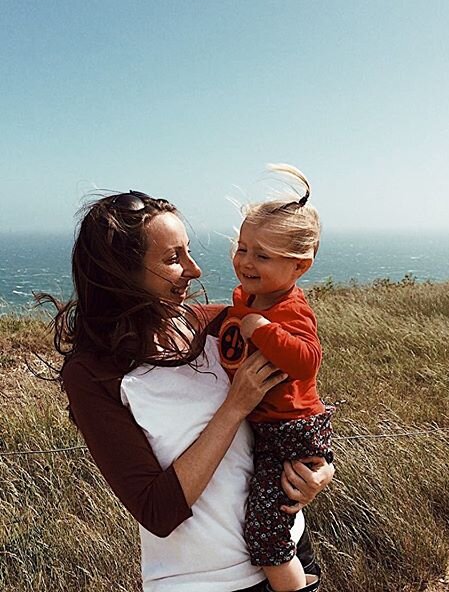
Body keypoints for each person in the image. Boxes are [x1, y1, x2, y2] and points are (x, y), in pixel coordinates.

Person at [46, 191, 334, 592]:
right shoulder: (93, 374)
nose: (195, 270)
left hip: (287, 551)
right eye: (172, 258)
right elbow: (157, 510)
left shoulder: (209, 326)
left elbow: (297, 381)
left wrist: (318, 467)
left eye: (188, 252)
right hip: (205, 583)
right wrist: (233, 409)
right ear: (121, 272)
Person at [212, 166, 333, 592]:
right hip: (273, 431)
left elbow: (307, 360)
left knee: (267, 537)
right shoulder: (250, 297)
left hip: (293, 434)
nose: (245, 261)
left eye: (262, 256)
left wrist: (261, 328)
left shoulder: (290, 309)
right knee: (268, 520)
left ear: (300, 265)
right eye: (242, 248)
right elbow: (233, 318)